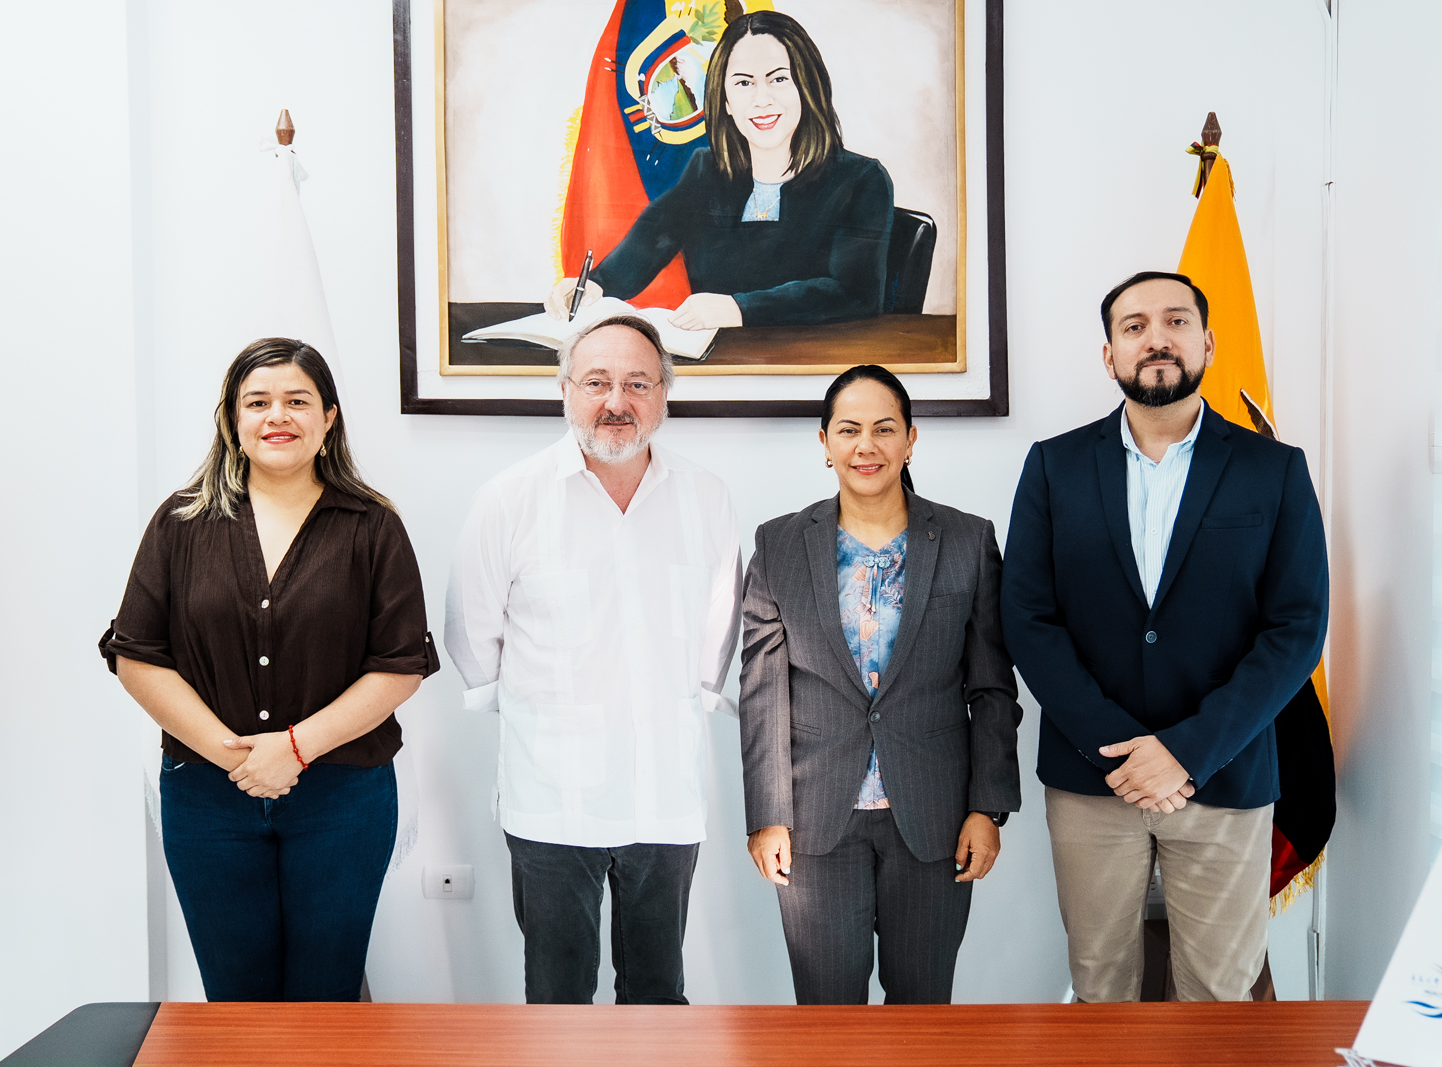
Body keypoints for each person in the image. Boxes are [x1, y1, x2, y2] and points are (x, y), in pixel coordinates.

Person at [999, 271, 1329, 1002]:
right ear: (1109, 355)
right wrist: (1118, 749)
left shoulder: (1275, 470)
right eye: (1135, 325)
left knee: (1218, 999)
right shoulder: (1054, 466)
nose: (1157, 338)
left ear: (1207, 343)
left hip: (1226, 774)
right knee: (1101, 990)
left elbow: (1297, 627)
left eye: (1176, 321)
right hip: (1094, 779)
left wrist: (1187, 750)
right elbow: (1027, 617)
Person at [101, 338, 439, 1002]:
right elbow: (137, 654)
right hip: (207, 795)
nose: (276, 416)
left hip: (343, 796)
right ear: (232, 419)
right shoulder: (180, 522)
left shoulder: (373, 527)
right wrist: (238, 758)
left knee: (325, 994)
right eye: (257, 402)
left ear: (328, 418)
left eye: (297, 401)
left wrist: (293, 749)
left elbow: (400, 664)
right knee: (236, 999)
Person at [444, 314, 742, 1004]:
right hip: (551, 797)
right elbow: (471, 635)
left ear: (664, 394)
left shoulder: (706, 497)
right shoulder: (509, 500)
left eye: (638, 383)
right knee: (558, 1002)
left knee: (658, 997)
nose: (616, 401)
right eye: (597, 382)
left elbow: (718, 629)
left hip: (665, 796)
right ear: (565, 391)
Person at [739, 364, 1022, 1004]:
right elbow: (762, 693)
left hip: (934, 820)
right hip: (815, 824)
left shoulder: (967, 540)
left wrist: (987, 808)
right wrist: (768, 814)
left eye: (884, 429)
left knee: (922, 1012)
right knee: (827, 1013)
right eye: (849, 430)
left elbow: (992, 689)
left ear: (911, 439)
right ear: (825, 442)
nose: (866, 446)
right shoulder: (779, 543)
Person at [546, 10, 894, 330]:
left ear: (807, 86)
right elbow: (653, 238)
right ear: (725, 100)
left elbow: (855, 294)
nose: (762, 99)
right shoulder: (707, 171)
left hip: (813, 361)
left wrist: (740, 309)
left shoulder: (861, 180)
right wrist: (595, 285)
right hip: (714, 360)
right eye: (744, 83)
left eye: (778, 79)